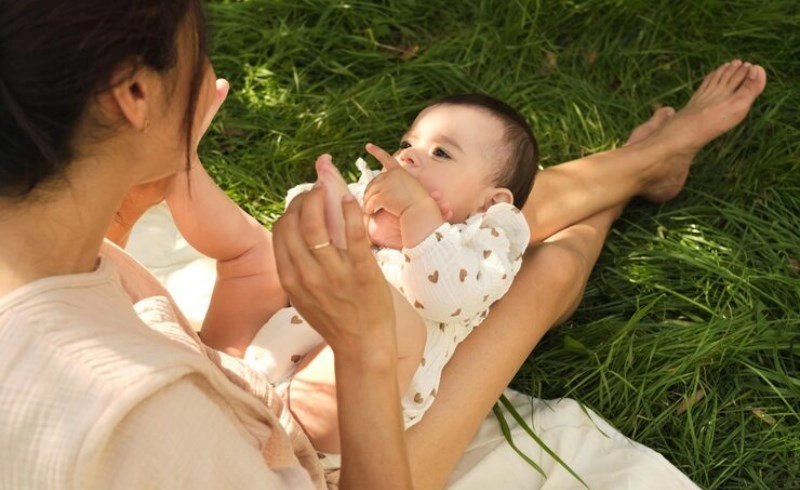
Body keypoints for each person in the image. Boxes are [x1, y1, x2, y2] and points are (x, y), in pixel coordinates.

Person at [0, 0, 767, 487]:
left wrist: (128, 213)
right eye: (196, 39)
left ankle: (644, 162)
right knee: (535, 288)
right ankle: (638, 175)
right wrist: (367, 349)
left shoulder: (57, 258)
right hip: (345, 448)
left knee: (498, 220)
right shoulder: (139, 427)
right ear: (135, 95)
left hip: (336, 336)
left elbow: (478, 221)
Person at [182, 94, 538, 459]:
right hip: (257, 351)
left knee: (389, 317)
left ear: (489, 204)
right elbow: (295, 234)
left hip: (331, 409)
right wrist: (353, 220)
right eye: (407, 143)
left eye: (441, 153)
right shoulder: (373, 198)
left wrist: (417, 215)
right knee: (256, 252)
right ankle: (181, 170)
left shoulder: (484, 244)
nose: (409, 155)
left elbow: (444, 297)